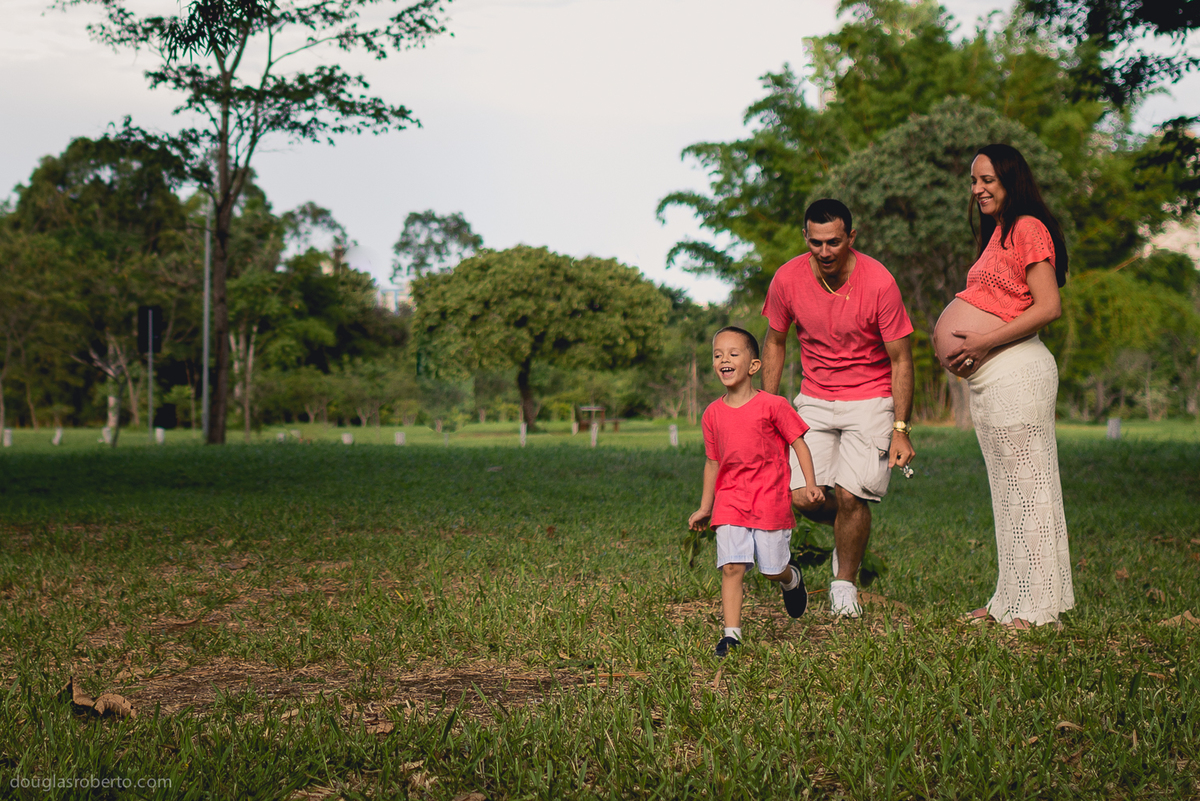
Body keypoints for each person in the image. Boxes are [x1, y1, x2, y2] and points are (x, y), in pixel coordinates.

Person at [934, 143, 1074, 629]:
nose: (977, 189)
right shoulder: (999, 233)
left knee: (1029, 490)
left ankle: (1039, 612)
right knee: (1008, 493)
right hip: (993, 377)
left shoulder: (1028, 227)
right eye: (974, 181)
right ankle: (1008, 602)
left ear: (1011, 179)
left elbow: (1048, 306)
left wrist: (986, 340)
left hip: (1017, 370)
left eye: (987, 180)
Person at [760, 198, 916, 618]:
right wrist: (769, 410)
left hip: (871, 398)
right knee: (803, 498)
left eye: (833, 242)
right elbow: (775, 343)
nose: (825, 252)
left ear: (851, 237)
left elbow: (902, 358)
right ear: (805, 238)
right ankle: (853, 527)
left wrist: (900, 427)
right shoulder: (787, 279)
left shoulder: (879, 282)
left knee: (850, 493)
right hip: (815, 397)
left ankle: (843, 583)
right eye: (816, 243)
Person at [689, 326, 825, 657]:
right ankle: (731, 635)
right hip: (730, 500)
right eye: (718, 354)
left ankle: (790, 578)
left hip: (769, 500)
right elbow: (712, 463)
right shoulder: (712, 414)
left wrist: (810, 485)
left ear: (753, 366)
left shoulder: (773, 406)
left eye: (733, 353)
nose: (724, 359)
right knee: (732, 567)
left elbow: (799, 444)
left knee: (770, 569)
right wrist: (705, 507)